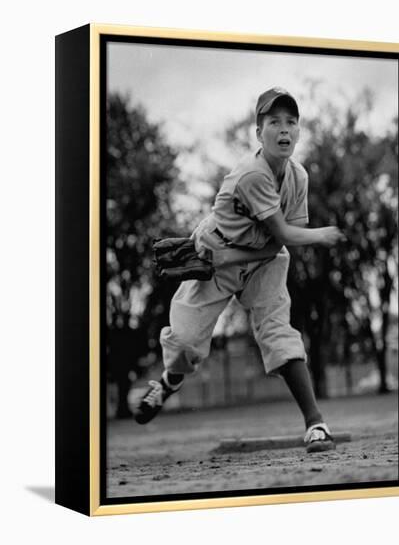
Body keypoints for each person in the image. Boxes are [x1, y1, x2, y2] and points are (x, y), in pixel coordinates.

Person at [134, 87, 344, 453]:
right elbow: (283, 232)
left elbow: (280, 242)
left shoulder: (298, 178)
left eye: (291, 122)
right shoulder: (251, 174)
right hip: (214, 254)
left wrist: (243, 257)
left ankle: (315, 423)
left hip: (260, 260)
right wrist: (320, 235)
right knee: (184, 343)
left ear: (298, 131)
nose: (284, 129)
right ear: (258, 132)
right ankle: (169, 381)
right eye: (274, 121)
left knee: (279, 332)